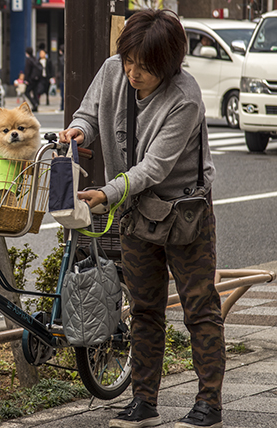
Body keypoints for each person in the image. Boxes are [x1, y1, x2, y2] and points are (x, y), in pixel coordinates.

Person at [59, 9, 224, 428]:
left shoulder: (184, 96)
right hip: (135, 210)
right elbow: (89, 114)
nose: (133, 72)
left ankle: (209, 404)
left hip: (184, 210)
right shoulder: (115, 68)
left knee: (199, 308)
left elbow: (154, 167)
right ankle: (144, 404)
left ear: (169, 66)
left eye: (145, 67)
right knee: (145, 309)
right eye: (129, 60)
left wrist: (107, 193)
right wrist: (79, 131)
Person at [24, 47, 41, 112]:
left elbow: (27, 71)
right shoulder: (35, 59)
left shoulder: (28, 60)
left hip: (31, 79)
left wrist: (26, 80)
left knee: (27, 92)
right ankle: (35, 106)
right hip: (36, 79)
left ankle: (34, 103)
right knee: (35, 92)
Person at [57, 44, 65, 111]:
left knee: (62, 94)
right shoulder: (69, 57)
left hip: (62, 79)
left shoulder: (60, 59)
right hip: (66, 79)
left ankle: (62, 106)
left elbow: (60, 70)